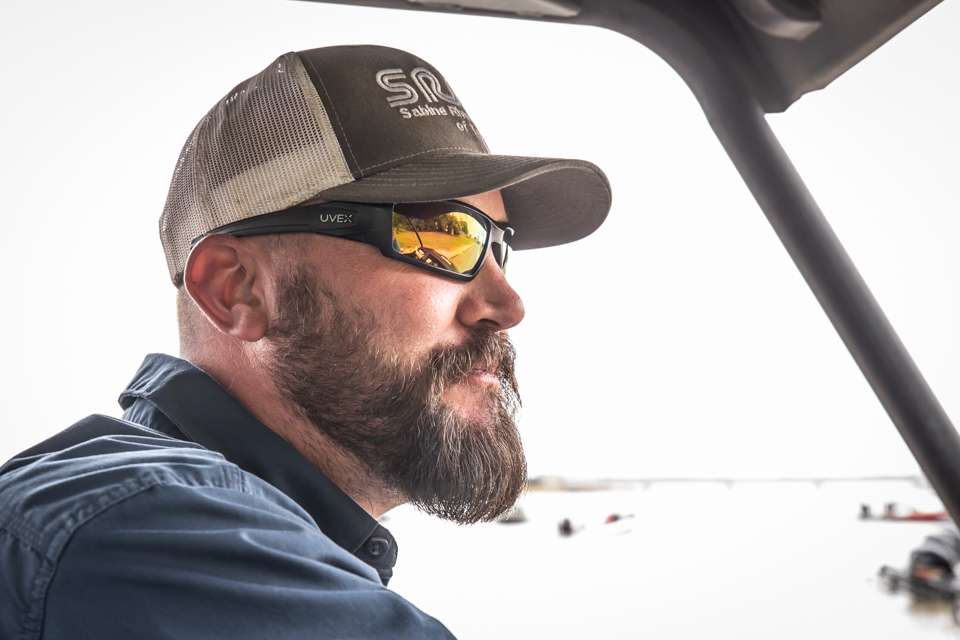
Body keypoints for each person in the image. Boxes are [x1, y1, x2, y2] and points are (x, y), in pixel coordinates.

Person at [0, 45, 611, 638]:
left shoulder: (228, 532)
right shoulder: (147, 534)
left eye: (499, 246)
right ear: (236, 290)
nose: (508, 307)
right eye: (442, 238)